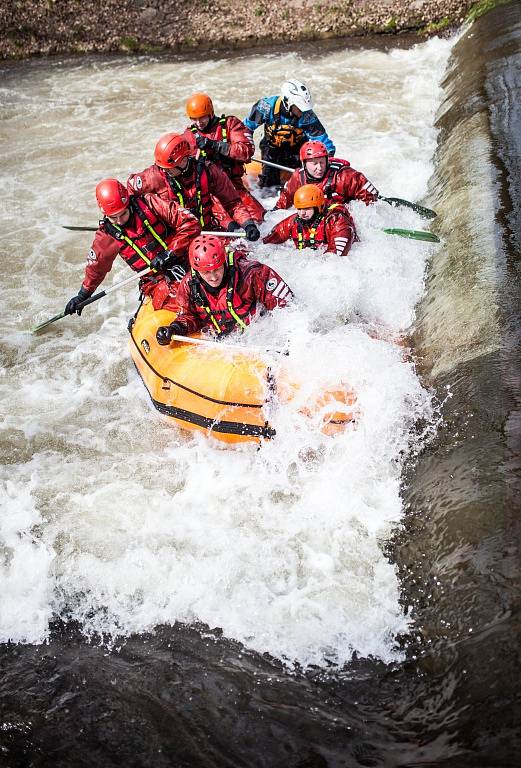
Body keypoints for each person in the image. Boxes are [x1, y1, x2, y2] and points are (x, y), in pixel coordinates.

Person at [64, 179, 200, 316]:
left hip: (186, 258)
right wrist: (83, 295)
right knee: (188, 298)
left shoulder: (150, 203)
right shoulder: (106, 236)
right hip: (158, 280)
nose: (120, 221)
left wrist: (171, 252)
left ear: (128, 203)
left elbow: (190, 222)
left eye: (123, 214)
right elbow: (96, 268)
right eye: (113, 217)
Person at [155, 234, 293, 343]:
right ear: (196, 271)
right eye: (206, 272)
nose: (213, 277)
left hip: (259, 332)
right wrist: (175, 328)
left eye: (217, 269)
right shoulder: (189, 284)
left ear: (225, 262)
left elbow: (287, 308)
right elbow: (188, 316)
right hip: (225, 340)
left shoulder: (254, 273)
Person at [127, 133, 260, 240]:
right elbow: (131, 189)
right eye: (162, 167)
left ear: (183, 161)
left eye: (168, 168)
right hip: (176, 238)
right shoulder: (154, 176)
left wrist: (248, 224)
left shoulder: (209, 171)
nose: (164, 171)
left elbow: (232, 203)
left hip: (207, 231)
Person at [183, 92, 265, 224]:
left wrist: (215, 145)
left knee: (260, 219)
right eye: (194, 119)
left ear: (210, 113)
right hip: (209, 192)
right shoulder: (188, 136)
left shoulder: (230, 124)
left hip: (234, 185)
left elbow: (247, 151)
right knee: (228, 226)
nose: (198, 123)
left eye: (202, 118)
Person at [244, 79, 335, 189]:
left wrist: (329, 158)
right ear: (287, 102)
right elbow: (246, 128)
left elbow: (322, 140)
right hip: (271, 148)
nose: (303, 112)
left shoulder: (307, 115)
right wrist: (246, 147)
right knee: (268, 186)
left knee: (301, 182)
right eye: (299, 107)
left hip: (297, 149)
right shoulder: (266, 107)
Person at [274, 140, 379, 210]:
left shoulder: (344, 176)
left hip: (341, 218)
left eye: (322, 162)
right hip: (315, 219)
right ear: (304, 164)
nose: (319, 168)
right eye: (314, 163)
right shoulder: (298, 177)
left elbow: (372, 198)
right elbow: (285, 200)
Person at [263, 184, 356, 257]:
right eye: (299, 209)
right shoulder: (294, 221)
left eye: (307, 209)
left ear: (318, 207)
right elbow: (266, 242)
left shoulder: (337, 221)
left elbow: (335, 258)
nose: (302, 213)